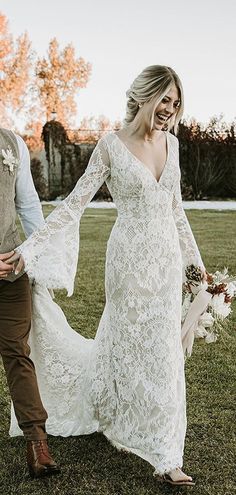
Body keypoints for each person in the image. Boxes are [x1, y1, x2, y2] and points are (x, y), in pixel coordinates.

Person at [6, 65, 206, 487]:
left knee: (165, 351)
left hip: (165, 261)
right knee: (127, 343)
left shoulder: (171, 144)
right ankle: (116, 413)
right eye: (164, 99)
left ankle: (168, 453)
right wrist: (29, 249)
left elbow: (176, 210)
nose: (170, 109)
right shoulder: (111, 147)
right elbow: (74, 204)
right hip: (128, 263)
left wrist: (196, 265)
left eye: (175, 102)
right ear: (143, 96)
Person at [0, 128, 60, 478]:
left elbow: (27, 205)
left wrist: (34, 254)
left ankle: (37, 443)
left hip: (11, 271)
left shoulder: (12, 143)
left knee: (17, 351)